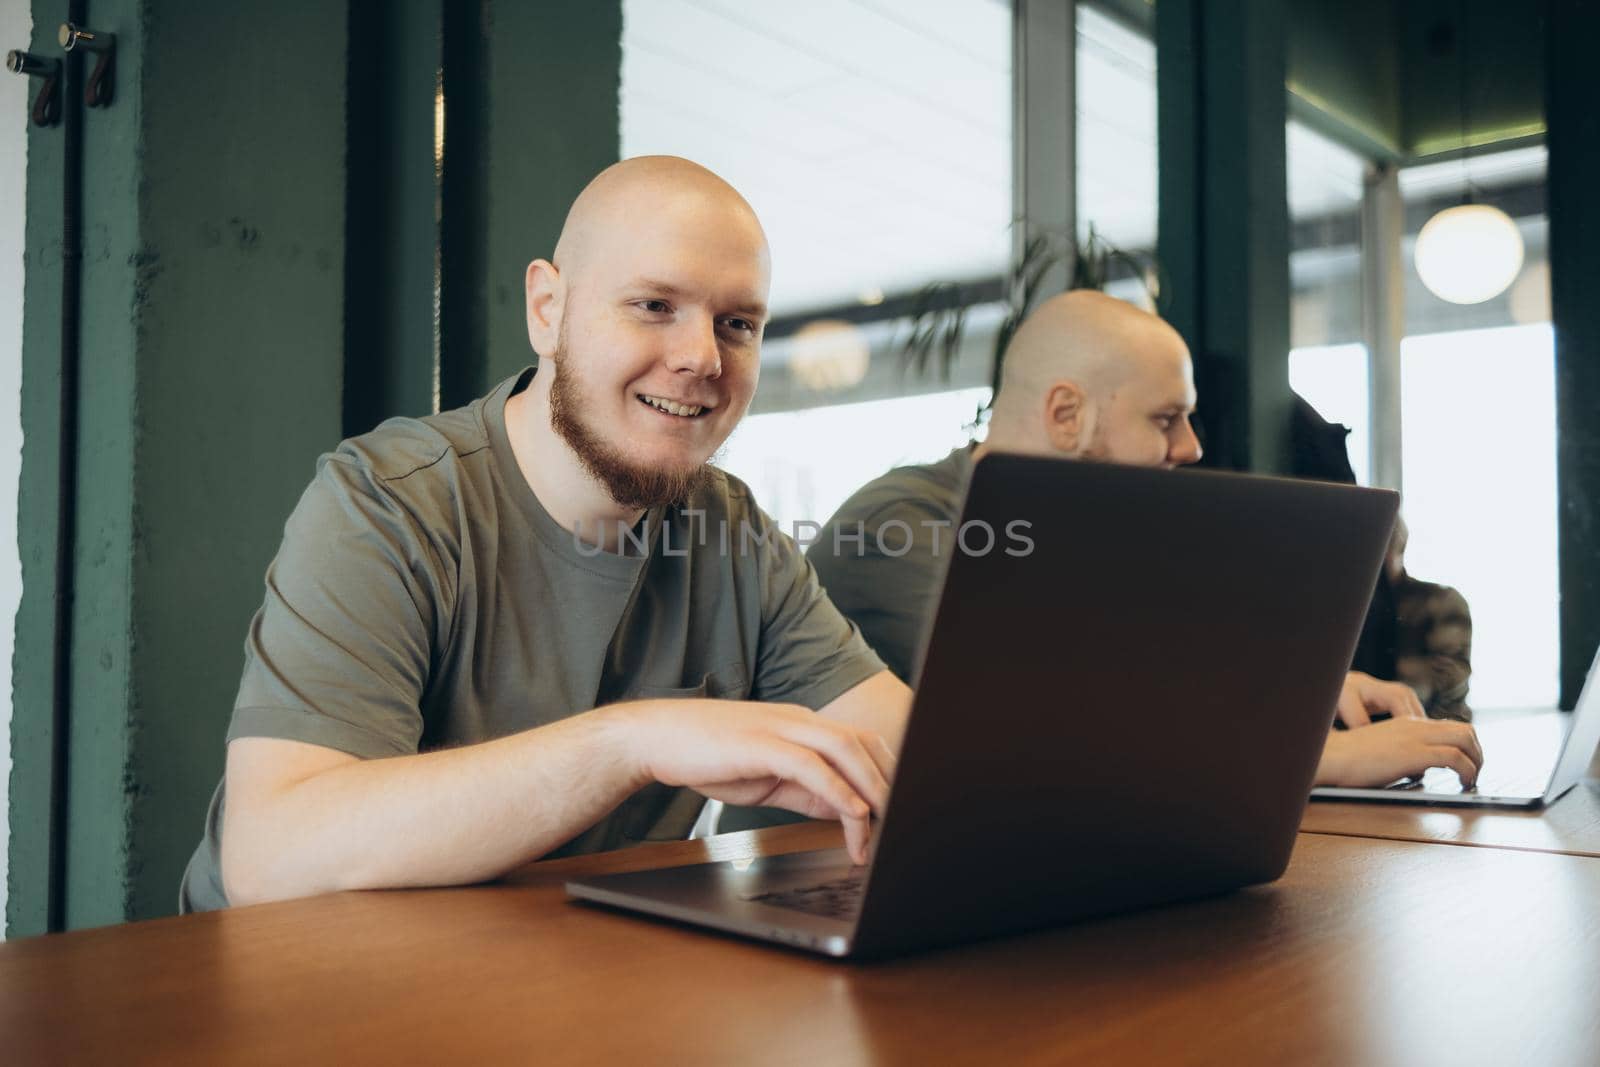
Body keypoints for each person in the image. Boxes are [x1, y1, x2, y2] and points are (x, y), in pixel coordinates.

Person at [180, 157, 911, 911]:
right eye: (655, 304)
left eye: (738, 324)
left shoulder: (734, 536)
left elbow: (930, 764)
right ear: (547, 309)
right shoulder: (389, 504)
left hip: (567, 980)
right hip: (306, 993)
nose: (702, 357)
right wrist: (632, 743)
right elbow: (272, 858)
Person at [806, 290, 1483, 790]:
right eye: (1167, 419)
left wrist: (1309, 692)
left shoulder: (1089, 541)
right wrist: (1317, 755)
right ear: (1066, 414)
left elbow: (1161, 687)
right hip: (826, 884)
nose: (1191, 447)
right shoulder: (893, 528)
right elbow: (1044, 722)